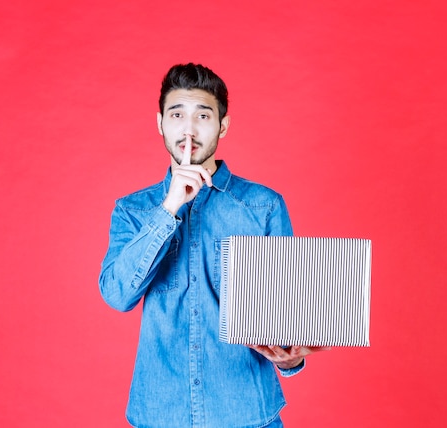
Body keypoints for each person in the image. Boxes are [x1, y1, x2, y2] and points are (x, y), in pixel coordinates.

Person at [99, 63, 329, 428]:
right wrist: (168, 208)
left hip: (248, 415)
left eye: (203, 115)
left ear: (223, 125)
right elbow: (116, 295)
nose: (188, 129)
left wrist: (290, 356)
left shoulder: (263, 206)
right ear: (160, 123)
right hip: (159, 415)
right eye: (177, 114)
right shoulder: (132, 210)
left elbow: (288, 316)